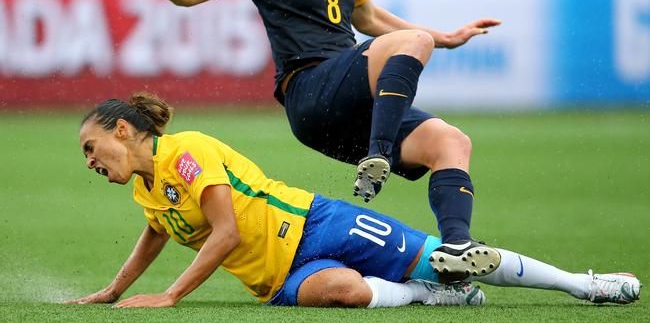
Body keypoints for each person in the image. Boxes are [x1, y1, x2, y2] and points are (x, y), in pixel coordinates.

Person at [148, 0, 502, 271]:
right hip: (311, 91)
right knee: (414, 44)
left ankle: (457, 249)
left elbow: (369, 19)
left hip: (349, 104)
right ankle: (379, 154)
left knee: (452, 141)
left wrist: (445, 37)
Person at [66, 93, 641, 308]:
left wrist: (167, 296)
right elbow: (158, 230)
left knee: (451, 255)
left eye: (92, 146)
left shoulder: (185, 152)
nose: (90, 161)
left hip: (317, 226)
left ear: (122, 129)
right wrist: (114, 291)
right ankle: (434, 298)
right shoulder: (147, 187)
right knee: (341, 291)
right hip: (277, 281)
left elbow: (227, 233)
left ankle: (582, 283)